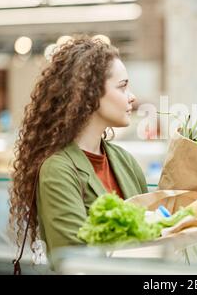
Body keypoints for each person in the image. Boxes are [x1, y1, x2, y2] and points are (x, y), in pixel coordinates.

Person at [9, 36, 147, 272]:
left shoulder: (125, 161)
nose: (132, 96)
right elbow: (73, 260)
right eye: (122, 86)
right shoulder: (58, 169)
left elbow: (153, 230)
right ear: (90, 94)